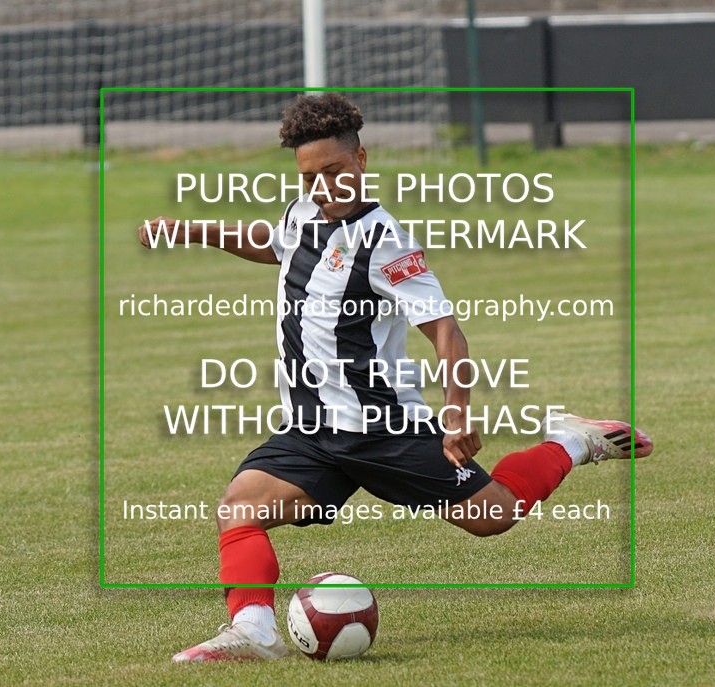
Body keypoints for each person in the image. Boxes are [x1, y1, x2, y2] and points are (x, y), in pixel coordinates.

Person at [137, 93, 653, 662]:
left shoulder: (388, 246)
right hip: (312, 427)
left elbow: (447, 333)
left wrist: (456, 414)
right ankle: (254, 631)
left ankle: (572, 441)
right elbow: (274, 246)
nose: (322, 188)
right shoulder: (301, 212)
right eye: (309, 176)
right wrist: (190, 231)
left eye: (333, 172)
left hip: (383, 426)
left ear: (361, 158)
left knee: (493, 516)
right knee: (240, 508)